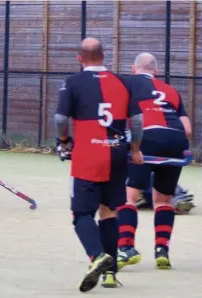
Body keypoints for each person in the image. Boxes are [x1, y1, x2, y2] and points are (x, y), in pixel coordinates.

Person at [54, 37, 144, 292]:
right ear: (104, 56)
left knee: (81, 214)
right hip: (117, 153)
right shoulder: (123, 81)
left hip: (88, 156)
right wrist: (135, 150)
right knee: (109, 211)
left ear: (80, 58)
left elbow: (61, 118)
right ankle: (111, 275)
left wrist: (64, 141)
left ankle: (97, 256)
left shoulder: (73, 82)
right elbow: (136, 121)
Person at [116, 53, 191, 271]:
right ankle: (162, 252)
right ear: (155, 71)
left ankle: (126, 247)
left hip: (146, 136)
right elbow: (187, 129)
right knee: (163, 200)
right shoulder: (171, 90)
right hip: (175, 139)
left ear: (133, 69)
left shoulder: (126, 83)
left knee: (129, 196)